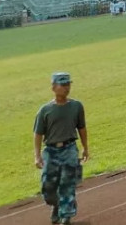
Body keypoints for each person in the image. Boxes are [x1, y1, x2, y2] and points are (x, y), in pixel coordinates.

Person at [34, 72, 89, 225]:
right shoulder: (45, 110)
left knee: (67, 183)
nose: (66, 88)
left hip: (70, 149)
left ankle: (66, 216)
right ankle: (57, 205)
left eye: (68, 84)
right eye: (62, 85)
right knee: (48, 188)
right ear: (53, 87)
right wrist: (37, 156)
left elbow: (82, 128)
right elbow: (38, 134)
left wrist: (85, 148)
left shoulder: (77, 106)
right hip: (51, 151)